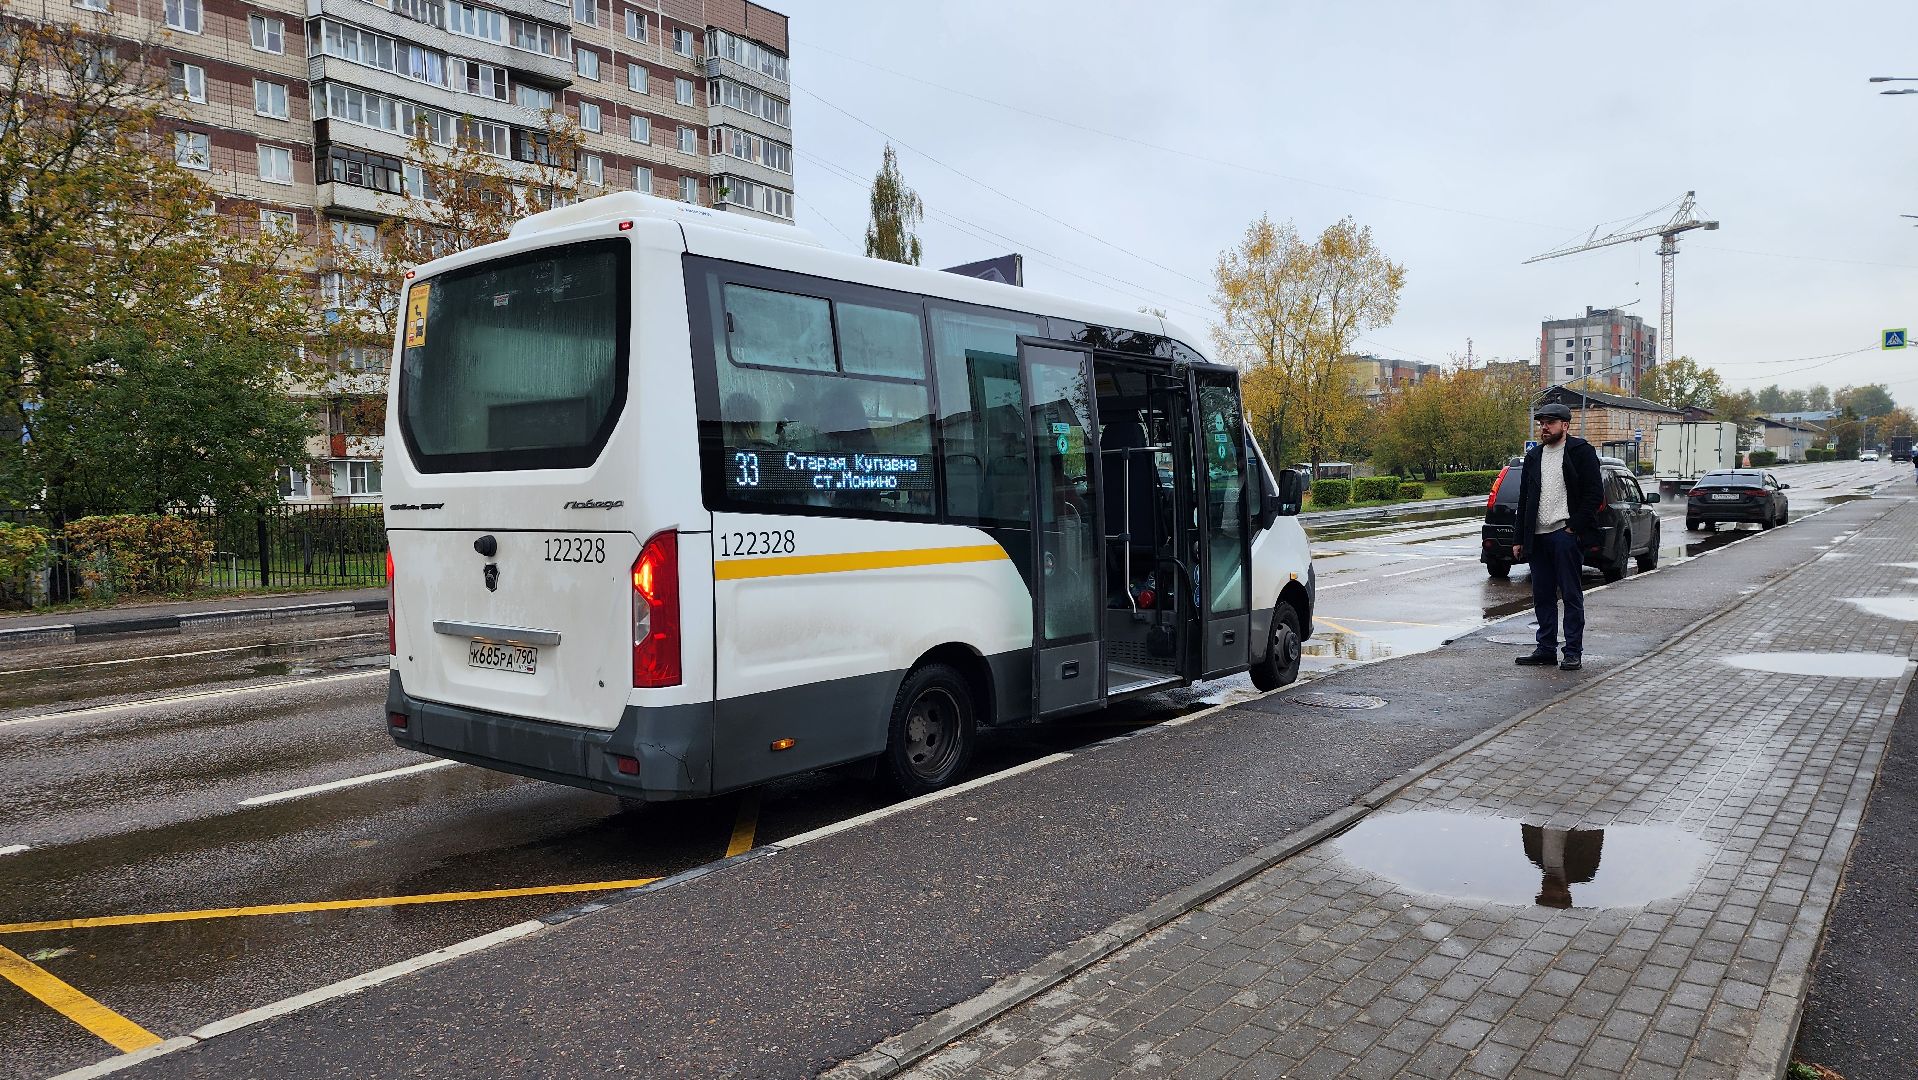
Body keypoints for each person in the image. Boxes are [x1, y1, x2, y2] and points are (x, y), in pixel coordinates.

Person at [1512, 403, 1603, 671]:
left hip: (1564, 535)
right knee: (1542, 596)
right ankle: (1546, 649)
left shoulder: (1580, 451)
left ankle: (1573, 652)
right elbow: (1524, 500)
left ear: (1565, 425)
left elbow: (1594, 494)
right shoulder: (1534, 456)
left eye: (1550, 423)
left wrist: (1574, 527)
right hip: (1538, 537)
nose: (1544, 427)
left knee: (1571, 595)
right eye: (1542, 423)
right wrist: (1519, 538)